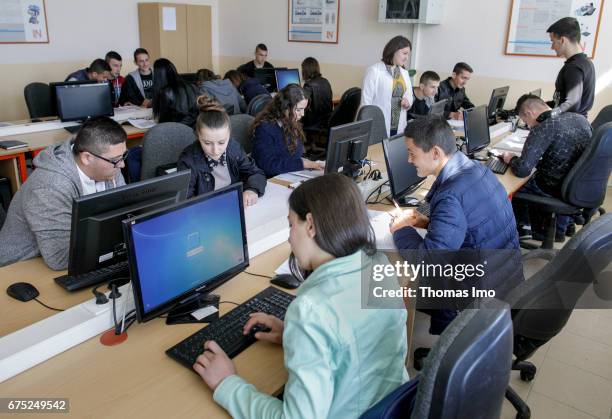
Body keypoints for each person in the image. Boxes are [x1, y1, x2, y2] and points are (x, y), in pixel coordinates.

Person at [193, 173, 409, 418]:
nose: (288, 236)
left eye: (290, 224)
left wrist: (227, 384)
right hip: (392, 408)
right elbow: (358, 341)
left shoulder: (311, 310)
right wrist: (292, 334)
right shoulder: (379, 266)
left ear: (311, 225)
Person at [389, 116, 523, 335]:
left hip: (478, 288)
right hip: (503, 275)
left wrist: (401, 229)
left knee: (391, 282)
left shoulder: (451, 195)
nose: (408, 160)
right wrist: (430, 221)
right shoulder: (476, 169)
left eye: (412, 153)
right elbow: (471, 225)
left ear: (435, 153)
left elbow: (429, 260)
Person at [0, 117, 127, 270]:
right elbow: (59, 258)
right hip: (20, 267)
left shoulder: (109, 167)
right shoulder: (50, 186)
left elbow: (123, 215)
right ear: (87, 158)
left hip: (79, 254)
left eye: (123, 157)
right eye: (116, 160)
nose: (122, 164)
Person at [502, 94, 592, 241]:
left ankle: (526, 229)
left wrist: (510, 158)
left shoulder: (543, 127)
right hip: (578, 185)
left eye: (526, 121)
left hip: (553, 187)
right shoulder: (579, 118)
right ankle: (563, 226)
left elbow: (522, 170)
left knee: (511, 187)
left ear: (529, 113)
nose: (528, 126)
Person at [177, 96, 266, 205]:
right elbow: (184, 202)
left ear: (229, 135)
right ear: (198, 136)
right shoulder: (188, 160)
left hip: (235, 207)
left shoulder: (233, 147)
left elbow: (255, 173)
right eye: (207, 143)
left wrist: (252, 190)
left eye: (221, 142)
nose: (215, 150)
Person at [250, 84, 323, 178]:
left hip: (290, 174)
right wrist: (302, 164)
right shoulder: (264, 128)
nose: (303, 114)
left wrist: (308, 163)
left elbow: (295, 155)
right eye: (298, 110)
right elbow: (266, 165)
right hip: (273, 179)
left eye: (304, 109)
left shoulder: (291, 122)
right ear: (285, 107)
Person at [361, 35, 414, 136]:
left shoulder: (404, 73)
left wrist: (407, 101)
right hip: (378, 123)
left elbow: (409, 95)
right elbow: (365, 102)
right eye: (404, 53)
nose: (406, 58)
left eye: (408, 54)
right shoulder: (374, 71)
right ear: (394, 51)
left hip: (399, 123)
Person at [547, 17, 596, 117]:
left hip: (569, 125)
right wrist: (542, 106)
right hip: (578, 123)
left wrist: (549, 114)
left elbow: (572, 104)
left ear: (562, 40)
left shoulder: (574, 67)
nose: (552, 47)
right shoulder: (586, 63)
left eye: (553, 41)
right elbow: (563, 100)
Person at [152, 58, 199, 127]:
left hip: (176, 131)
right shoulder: (192, 86)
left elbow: (163, 122)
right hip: (194, 130)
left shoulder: (166, 92)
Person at [300, 57, 333, 133]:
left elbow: (302, 104)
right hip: (325, 120)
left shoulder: (308, 85)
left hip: (312, 123)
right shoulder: (325, 81)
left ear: (305, 70)